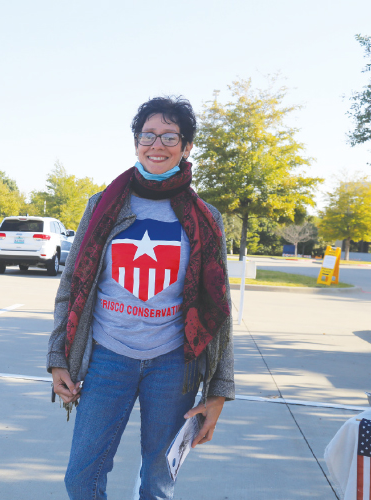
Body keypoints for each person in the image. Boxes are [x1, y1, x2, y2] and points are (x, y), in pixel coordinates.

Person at [47, 96, 234, 500]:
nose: (157, 144)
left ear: (186, 147)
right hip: (107, 357)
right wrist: (57, 357)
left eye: (170, 136)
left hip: (174, 365)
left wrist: (218, 392)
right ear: (136, 143)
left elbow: (219, 310)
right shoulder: (103, 206)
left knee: (158, 482)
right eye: (148, 135)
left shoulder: (205, 218)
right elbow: (72, 285)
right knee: (81, 477)